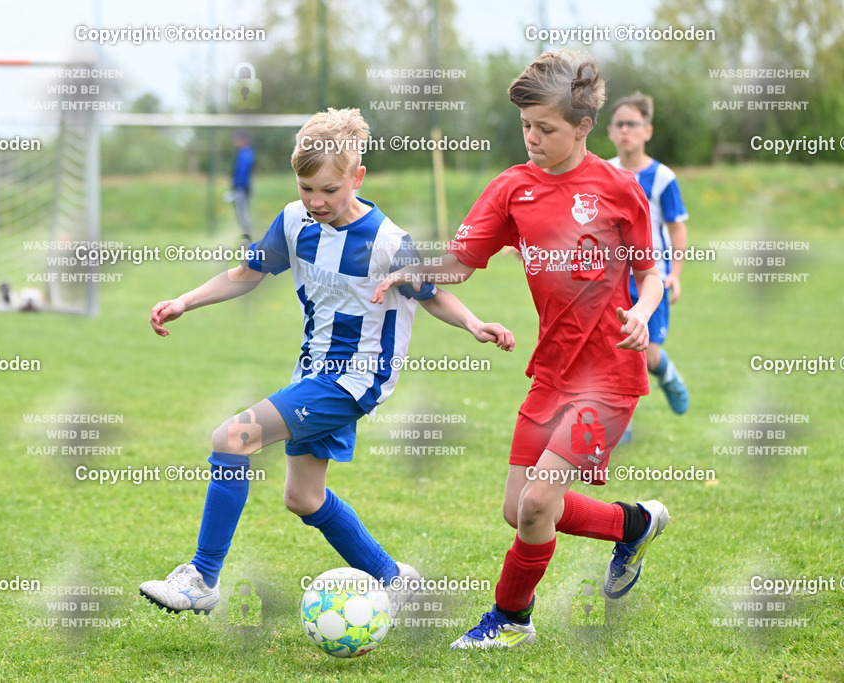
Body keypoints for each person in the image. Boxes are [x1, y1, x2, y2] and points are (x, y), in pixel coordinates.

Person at [140, 108, 515, 620]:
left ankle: (203, 578)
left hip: (356, 379)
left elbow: (431, 294)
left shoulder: (387, 241)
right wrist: (185, 300)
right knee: (303, 496)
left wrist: (475, 324)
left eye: (329, 190)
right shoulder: (295, 222)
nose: (316, 201)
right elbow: (246, 274)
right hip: (311, 373)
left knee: (232, 438)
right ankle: (393, 580)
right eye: (306, 188)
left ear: (356, 178)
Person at [373, 51, 669, 648]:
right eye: (526, 126)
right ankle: (632, 523)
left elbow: (652, 271)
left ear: (584, 127)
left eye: (546, 129)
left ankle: (510, 621)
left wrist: (640, 312)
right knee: (520, 511)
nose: (532, 138)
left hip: (610, 376)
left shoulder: (618, 189)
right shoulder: (512, 188)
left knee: (538, 503)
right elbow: (463, 262)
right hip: (551, 373)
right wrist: (413, 270)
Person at [606, 92, 690, 444]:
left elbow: (676, 228)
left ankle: (666, 372)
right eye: (619, 124)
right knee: (615, 350)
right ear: (610, 131)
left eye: (633, 124)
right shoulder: (605, 172)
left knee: (647, 353)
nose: (625, 131)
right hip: (613, 280)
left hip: (650, 279)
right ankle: (621, 422)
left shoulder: (663, 178)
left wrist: (676, 274)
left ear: (648, 131)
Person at [230, 132, 255, 243]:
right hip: (242, 187)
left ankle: (247, 237)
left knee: (243, 213)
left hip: (242, 188)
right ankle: (245, 235)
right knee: (241, 213)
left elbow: (242, 173)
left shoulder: (246, 154)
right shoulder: (243, 153)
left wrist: (237, 186)